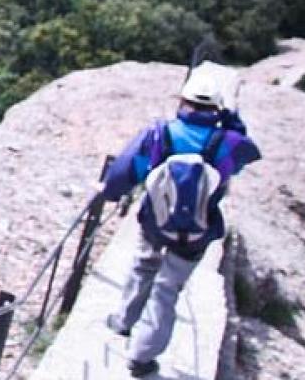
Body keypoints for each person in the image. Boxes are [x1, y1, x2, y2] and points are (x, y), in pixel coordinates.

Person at [97, 63, 261, 378]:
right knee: (168, 288)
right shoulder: (227, 142)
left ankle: (124, 320)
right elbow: (249, 150)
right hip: (198, 230)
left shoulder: (160, 133)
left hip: (155, 221)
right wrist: (228, 119)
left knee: (144, 265)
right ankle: (142, 357)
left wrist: (110, 194)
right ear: (216, 107)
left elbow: (125, 170)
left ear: (182, 101)